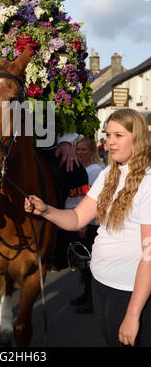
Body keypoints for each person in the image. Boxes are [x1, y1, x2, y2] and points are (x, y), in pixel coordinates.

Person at [25, 109, 151, 347]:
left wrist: (133, 314)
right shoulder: (107, 175)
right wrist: (46, 210)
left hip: (128, 292)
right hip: (101, 284)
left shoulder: (148, 182)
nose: (110, 142)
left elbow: (149, 257)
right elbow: (76, 218)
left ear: (138, 138)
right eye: (108, 135)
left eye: (118, 135)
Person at [69, 137, 104, 314]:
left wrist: (83, 224)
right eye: (78, 149)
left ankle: (92, 301)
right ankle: (86, 294)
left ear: (92, 152)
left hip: (90, 223)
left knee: (89, 263)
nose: (81, 152)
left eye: (84, 149)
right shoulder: (79, 168)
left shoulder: (95, 170)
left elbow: (91, 200)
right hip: (81, 219)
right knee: (82, 263)